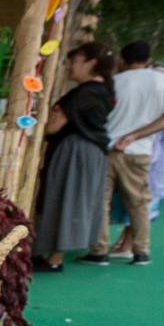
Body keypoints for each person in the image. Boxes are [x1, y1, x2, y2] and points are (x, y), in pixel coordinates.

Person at [79, 41, 164, 266]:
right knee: (139, 202)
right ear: (148, 59)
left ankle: (99, 250)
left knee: (101, 201)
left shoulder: (113, 82)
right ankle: (141, 250)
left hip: (106, 148)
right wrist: (137, 135)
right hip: (139, 150)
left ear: (122, 60)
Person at [30, 43, 116, 271]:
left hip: (75, 152)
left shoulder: (84, 93)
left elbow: (53, 127)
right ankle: (50, 253)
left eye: (74, 61)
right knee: (73, 200)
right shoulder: (105, 90)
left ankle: (54, 257)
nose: (70, 67)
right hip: (91, 152)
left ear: (90, 63)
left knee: (63, 198)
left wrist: (49, 116)